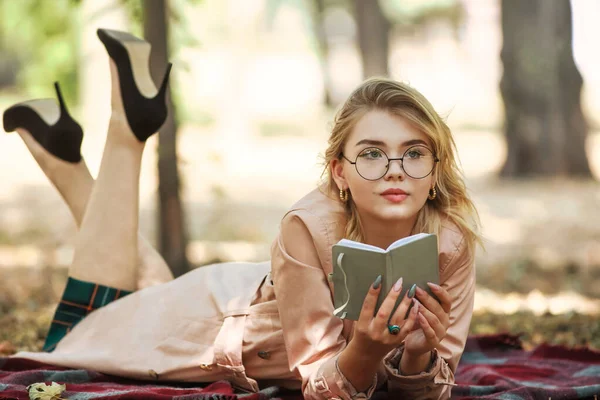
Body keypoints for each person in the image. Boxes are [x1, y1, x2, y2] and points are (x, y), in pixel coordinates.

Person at [4, 28, 481, 400]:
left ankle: (67, 157)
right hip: (205, 322)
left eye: (415, 153)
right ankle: (121, 135)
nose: (395, 171)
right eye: (372, 154)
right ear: (339, 172)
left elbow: (428, 389)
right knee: (67, 338)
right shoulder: (307, 226)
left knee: (135, 290)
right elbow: (321, 386)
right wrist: (366, 350)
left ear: (436, 169)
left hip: (233, 296)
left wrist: (418, 355)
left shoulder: (451, 244)